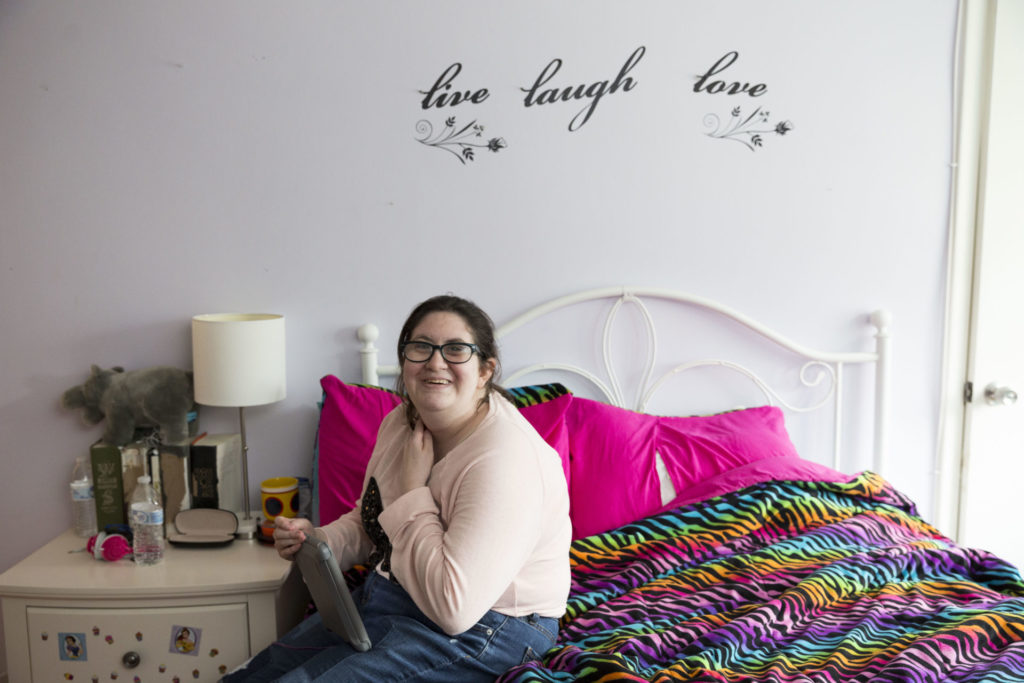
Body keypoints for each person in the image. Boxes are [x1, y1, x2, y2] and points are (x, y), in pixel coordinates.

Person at [223, 294, 572, 682]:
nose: (435, 362)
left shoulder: (506, 460)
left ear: (486, 370)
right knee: (252, 675)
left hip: (490, 625)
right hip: (393, 593)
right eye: (421, 347)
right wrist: (318, 539)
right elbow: (370, 521)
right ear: (405, 360)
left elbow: (453, 609)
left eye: (456, 350)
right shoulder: (401, 424)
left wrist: (411, 492)